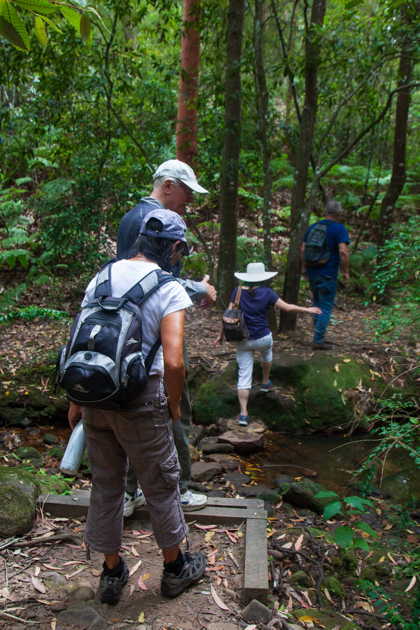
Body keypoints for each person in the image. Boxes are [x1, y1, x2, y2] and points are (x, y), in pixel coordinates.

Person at [67, 210, 207, 605]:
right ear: (175, 247)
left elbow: (83, 339)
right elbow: (175, 360)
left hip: (96, 395)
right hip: (142, 399)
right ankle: (176, 568)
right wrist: (173, 406)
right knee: (161, 485)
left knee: (107, 485)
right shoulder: (169, 287)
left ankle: (111, 573)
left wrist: (76, 399)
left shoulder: (102, 276)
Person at [118, 159, 216, 515]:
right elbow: (145, 278)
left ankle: (133, 492)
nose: (189, 199)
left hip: (138, 333)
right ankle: (177, 488)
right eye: (187, 191)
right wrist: (196, 287)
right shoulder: (148, 219)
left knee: (133, 406)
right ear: (169, 185)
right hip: (153, 333)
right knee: (172, 404)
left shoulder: (137, 216)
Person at [217, 262, 321, 426]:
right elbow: (287, 308)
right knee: (267, 352)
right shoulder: (268, 293)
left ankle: (243, 414)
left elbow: (227, 316)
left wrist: (220, 335)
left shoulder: (236, 292)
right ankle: (265, 382)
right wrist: (308, 310)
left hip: (242, 340)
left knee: (244, 376)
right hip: (262, 338)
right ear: (262, 277)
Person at [301, 199, 350, 350]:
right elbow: (343, 251)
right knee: (326, 306)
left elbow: (302, 249)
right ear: (339, 213)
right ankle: (318, 340)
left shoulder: (314, 226)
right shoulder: (339, 229)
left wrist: (304, 268)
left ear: (325, 212)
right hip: (328, 273)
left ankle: (317, 336)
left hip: (312, 271)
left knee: (316, 303)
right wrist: (345, 271)